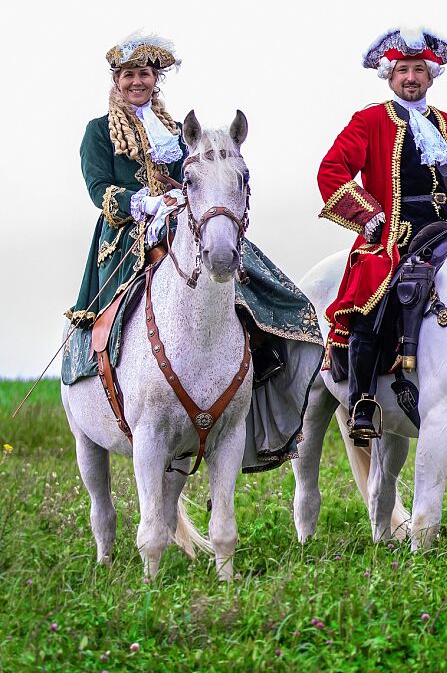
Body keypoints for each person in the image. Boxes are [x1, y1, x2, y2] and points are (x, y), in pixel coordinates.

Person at [63, 32, 323, 471]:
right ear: (116, 80)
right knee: (107, 313)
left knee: (259, 282)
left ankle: (260, 370)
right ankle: (100, 378)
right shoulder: (98, 131)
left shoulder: (177, 131)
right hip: (126, 236)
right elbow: (97, 190)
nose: (136, 82)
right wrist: (141, 201)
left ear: (155, 79)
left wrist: (187, 199)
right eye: (128, 75)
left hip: (186, 225)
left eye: (144, 74)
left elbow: (203, 178)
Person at [317, 27, 447, 441]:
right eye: (403, 70)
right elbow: (332, 170)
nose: (411, 78)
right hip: (390, 235)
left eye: (418, 70)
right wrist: (366, 214)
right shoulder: (369, 120)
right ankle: (362, 400)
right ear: (390, 77)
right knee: (371, 291)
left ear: (431, 76)